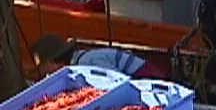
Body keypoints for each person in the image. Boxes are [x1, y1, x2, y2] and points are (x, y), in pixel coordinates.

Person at [30, 34, 165, 78]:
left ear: (53, 63)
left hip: (147, 77)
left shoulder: (88, 62)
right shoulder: (79, 63)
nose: (47, 75)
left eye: (45, 69)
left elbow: (119, 81)